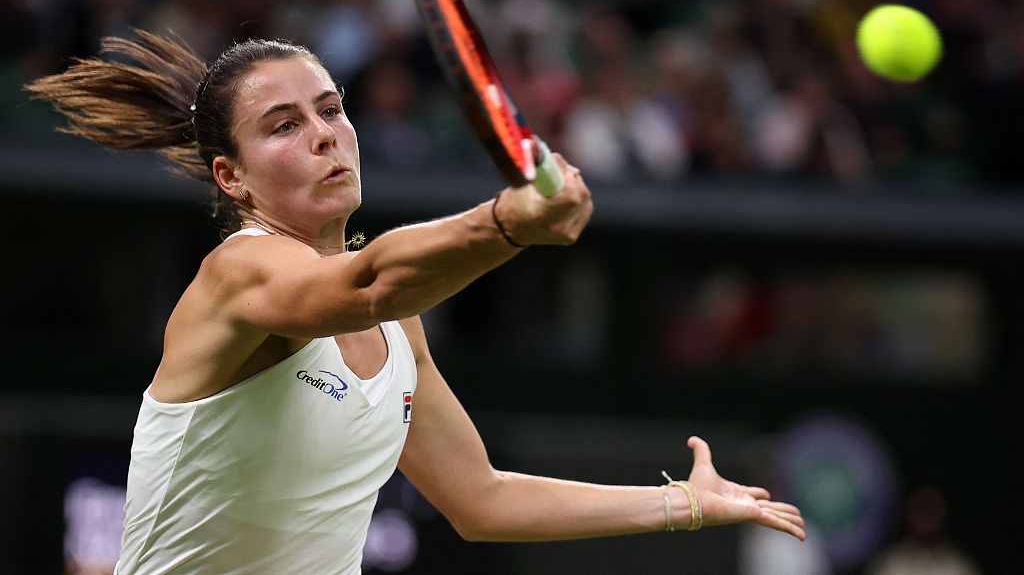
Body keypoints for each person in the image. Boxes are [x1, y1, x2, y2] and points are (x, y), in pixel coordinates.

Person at [27, 31, 805, 574]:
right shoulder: (238, 277)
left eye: (331, 109)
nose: (326, 135)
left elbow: (482, 498)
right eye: (285, 126)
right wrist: (505, 222)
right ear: (231, 176)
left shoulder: (399, 323)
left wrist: (685, 506)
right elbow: (366, 283)